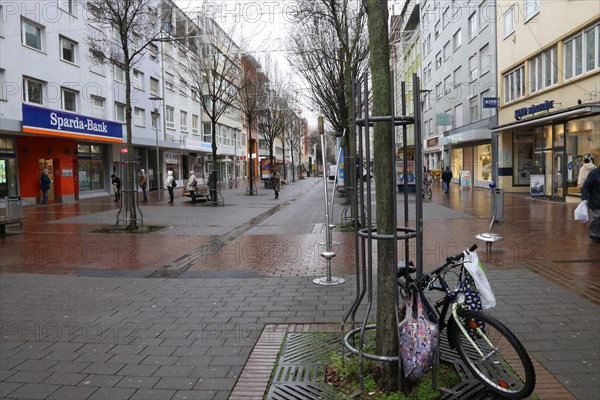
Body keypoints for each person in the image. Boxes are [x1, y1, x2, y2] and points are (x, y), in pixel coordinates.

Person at [581, 166, 600, 243]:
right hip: (596, 200)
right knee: (597, 217)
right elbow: (586, 186)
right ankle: (593, 234)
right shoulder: (594, 173)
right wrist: (584, 198)